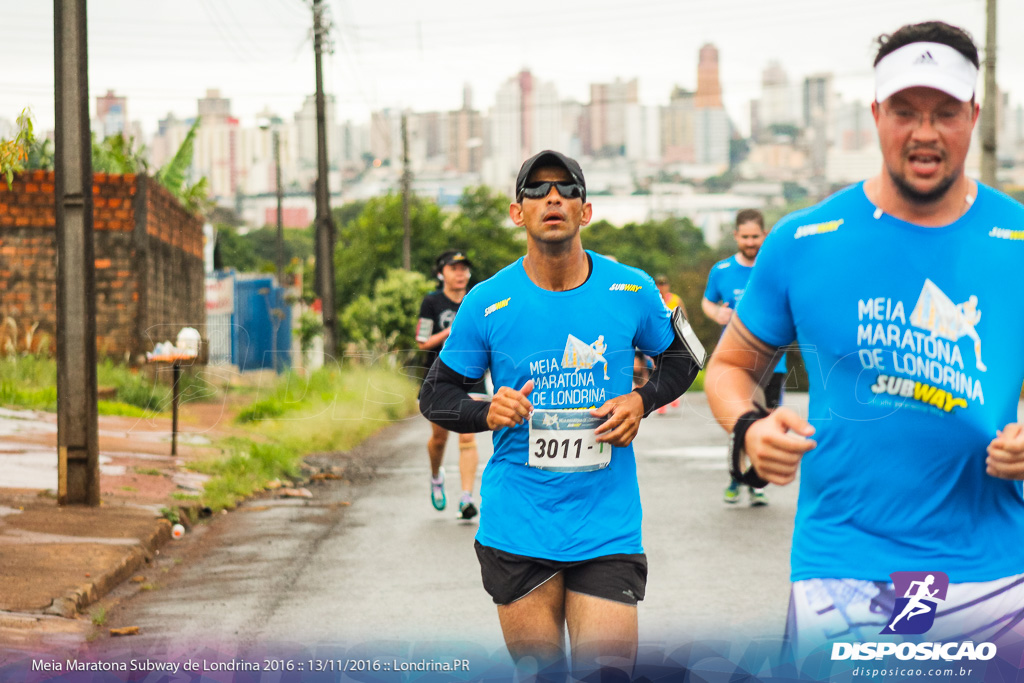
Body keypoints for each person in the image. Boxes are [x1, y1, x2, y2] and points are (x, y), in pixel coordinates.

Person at [705, 21, 1024, 659]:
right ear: (875, 114)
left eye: (945, 111)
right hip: (843, 569)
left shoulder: (1017, 238)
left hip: (992, 571)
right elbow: (730, 368)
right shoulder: (803, 241)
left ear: (975, 115)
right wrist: (750, 427)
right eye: (905, 111)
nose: (925, 131)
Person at [419, 150, 701, 679]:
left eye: (567, 189)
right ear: (516, 212)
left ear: (585, 210)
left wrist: (641, 399)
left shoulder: (631, 287)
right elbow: (435, 396)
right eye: (538, 190)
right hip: (518, 526)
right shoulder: (487, 301)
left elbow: (685, 357)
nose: (554, 198)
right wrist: (487, 411)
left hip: (607, 526)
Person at [701, 209, 783, 506]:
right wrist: (717, 313)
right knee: (740, 420)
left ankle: (758, 482)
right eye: (745, 236)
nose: (750, 242)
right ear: (736, 236)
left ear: (764, 235)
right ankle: (737, 477)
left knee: (768, 421)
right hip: (734, 361)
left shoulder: (772, 268)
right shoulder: (722, 270)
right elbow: (708, 301)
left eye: (755, 236)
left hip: (774, 362)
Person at [415, 250, 484, 520]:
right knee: (440, 439)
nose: (460, 274)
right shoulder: (431, 302)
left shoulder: (476, 300)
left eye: (464, 269)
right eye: (454, 269)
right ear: (441, 273)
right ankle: (436, 475)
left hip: (472, 375)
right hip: (440, 376)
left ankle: (467, 497)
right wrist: (452, 330)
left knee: (467, 436)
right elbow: (422, 342)